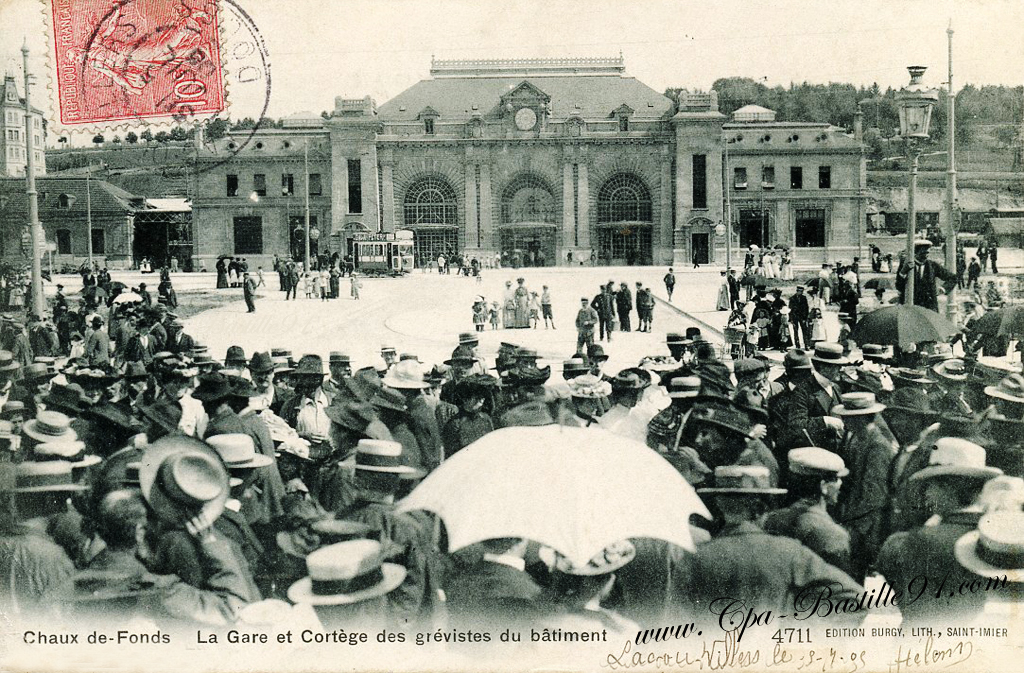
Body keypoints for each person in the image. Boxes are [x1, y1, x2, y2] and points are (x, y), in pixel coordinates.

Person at [682, 465, 864, 622]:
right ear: (763, 507)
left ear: (719, 504)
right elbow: (855, 598)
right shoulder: (789, 552)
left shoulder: (695, 557)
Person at [895, 240, 957, 312]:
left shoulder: (933, 266)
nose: (926, 255)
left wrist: (943, 289)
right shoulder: (906, 265)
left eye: (927, 253)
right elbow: (899, 287)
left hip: (930, 307)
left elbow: (953, 278)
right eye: (923, 253)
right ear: (915, 253)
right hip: (911, 307)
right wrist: (903, 272)